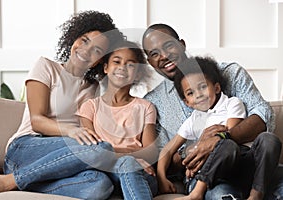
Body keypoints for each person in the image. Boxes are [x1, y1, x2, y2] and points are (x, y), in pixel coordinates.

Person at [0, 10, 124, 200]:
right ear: (74, 37)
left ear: (101, 60)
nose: (86, 50)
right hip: (26, 147)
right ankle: (8, 181)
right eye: (84, 40)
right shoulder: (46, 67)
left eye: (97, 51)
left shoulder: (94, 87)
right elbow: (37, 121)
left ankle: (22, 184)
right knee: (99, 149)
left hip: (61, 158)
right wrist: (72, 131)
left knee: (100, 185)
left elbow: (94, 131)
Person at [142, 23, 282, 200]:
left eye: (169, 45)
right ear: (150, 62)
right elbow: (165, 157)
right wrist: (196, 148)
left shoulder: (230, 73)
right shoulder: (153, 102)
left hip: (250, 164)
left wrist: (220, 139)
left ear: (182, 44)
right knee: (221, 195)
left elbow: (264, 116)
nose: (163, 56)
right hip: (208, 178)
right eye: (154, 53)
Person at [76, 40, 158, 199]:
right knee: (126, 163)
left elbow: (150, 152)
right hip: (106, 175)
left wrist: (114, 153)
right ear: (106, 67)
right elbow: (93, 151)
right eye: (117, 61)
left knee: (128, 164)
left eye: (130, 64)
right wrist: (129, 154)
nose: (122, 67)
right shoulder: (90, 107)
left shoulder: (146, 107)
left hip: (141, 174)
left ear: (138, 74)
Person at [158, 56, 246, 200]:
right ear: (187, 102)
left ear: (216, 87)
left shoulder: (231, 105)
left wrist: (200, 153)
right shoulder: (195, 119)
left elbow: (230, 140)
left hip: (227, 171)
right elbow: (168, 150)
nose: (198, 95)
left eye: (203, 87)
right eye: (191, 93)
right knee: (220, 193)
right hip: (196, 177)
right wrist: (161, 177)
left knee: (224, 190)